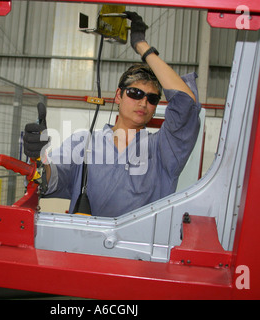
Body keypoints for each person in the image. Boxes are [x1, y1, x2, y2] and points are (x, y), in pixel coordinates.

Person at [24, 11, 201, 217]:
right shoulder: (84, 143)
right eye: (135, 93)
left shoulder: (163, 150)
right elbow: (50, 178)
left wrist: (142, 46)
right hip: (82, 246)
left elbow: (186, 102)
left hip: (140, 248)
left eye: (152, 98)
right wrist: (37, 156)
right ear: (118, 95)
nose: (143, 102)